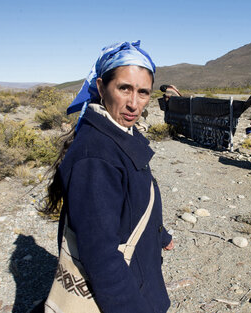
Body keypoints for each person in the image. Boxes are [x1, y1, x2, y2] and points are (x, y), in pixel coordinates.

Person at [43, 41, 173, 313]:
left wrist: (161, 235)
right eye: (124, 88)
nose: (133, 104)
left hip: (138, 272)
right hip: (128, 292)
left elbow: (131, 202)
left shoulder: (119, 132)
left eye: (143, 92)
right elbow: (100, 256)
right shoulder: (96, 156)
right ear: (102, 87)